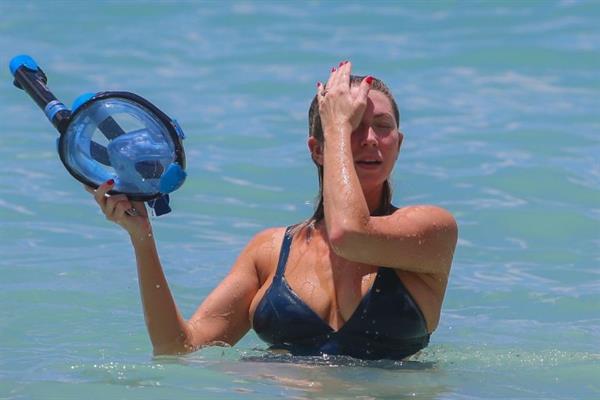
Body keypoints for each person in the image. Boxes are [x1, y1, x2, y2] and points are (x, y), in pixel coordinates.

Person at [86, 61, 458, 360]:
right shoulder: (270, 251)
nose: (371, 139)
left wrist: (337, 125)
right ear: (317, 149)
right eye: (354, 126)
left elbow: (349, 235)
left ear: (399, 143)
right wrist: (142, 239)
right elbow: (179, 350)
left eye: (383, 127)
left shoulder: (428, 229)